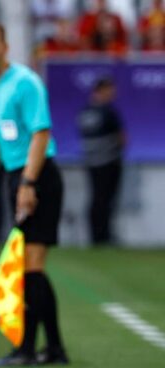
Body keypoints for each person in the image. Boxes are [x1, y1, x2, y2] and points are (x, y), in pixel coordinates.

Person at [0, 19, 69, 367]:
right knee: (25, 266)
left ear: (5, 48)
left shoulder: (26, 83)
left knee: (30, 267)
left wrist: (28, 184)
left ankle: (34, 348)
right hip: (15, 178)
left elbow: (41, 134)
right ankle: (48, 348)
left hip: (38, 177)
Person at [77, 77, 124, 245]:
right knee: (105, 199)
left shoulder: (84, 112)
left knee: (97, 198)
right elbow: (122, 138)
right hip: (109, 161)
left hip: (91, 162)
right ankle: (102, 236)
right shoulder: (107, 111)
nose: (112, 94)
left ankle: (97, 235)